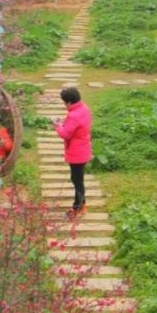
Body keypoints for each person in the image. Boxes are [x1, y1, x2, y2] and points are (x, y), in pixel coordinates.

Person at [52, 87, 92, 218]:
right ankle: (81, 204)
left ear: (69, 102)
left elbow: (65, 134)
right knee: (77, 179)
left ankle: (78, 207)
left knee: (77, 180)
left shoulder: (73, 116)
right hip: (83, 148)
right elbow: (76, 127)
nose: (64, 104)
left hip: (77, 153)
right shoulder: (83, 108)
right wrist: (65, 122)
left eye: (64, 102)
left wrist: (57, 125)